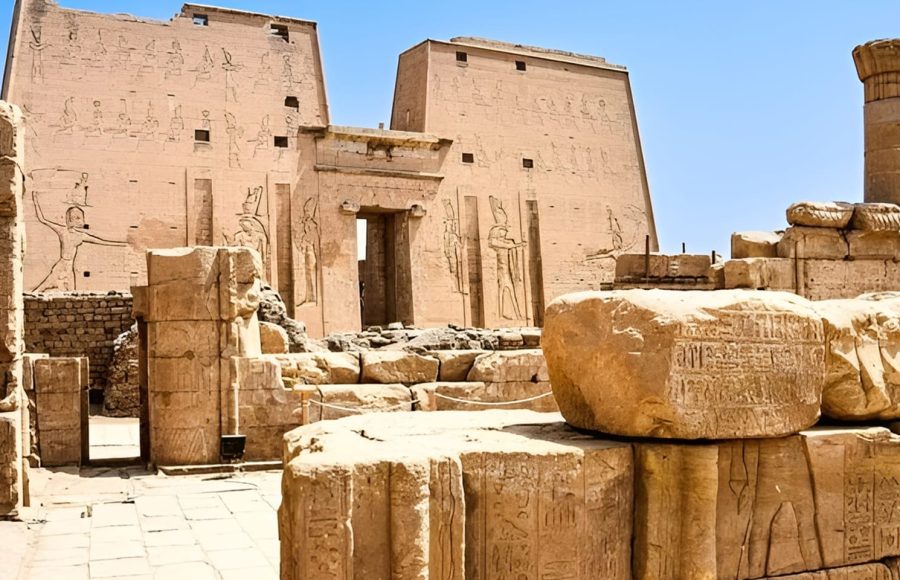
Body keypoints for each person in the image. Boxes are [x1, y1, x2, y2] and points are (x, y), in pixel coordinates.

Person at [32, 190, 127, 292]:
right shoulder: (63, 231)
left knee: (71, 293)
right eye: (74, 218)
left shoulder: (80, 236)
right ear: (69, 219)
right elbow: (42, 219)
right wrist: (35, 200)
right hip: (60, 267)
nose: (77, 221)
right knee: (40, 289)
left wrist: (122, 244)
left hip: (69, 269)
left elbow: (101, 241)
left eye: (79, 218)